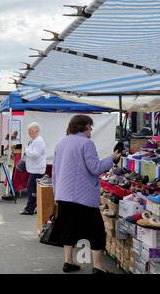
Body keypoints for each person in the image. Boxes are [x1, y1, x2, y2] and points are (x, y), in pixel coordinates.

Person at [51, 115, 121, 274]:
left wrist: (56, 194)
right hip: (82, 196)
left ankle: (68, 262)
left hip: (63, 194)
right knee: (96, 230)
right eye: (91, 127)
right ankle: (98, 267)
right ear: (86, 126)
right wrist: (112, 158)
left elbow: (55, 172)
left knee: (68, 229)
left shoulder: (61, 142)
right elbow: (95, 168)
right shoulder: (87, 143)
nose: (91, 130)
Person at [20, 123, 46, 215]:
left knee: (31, 189)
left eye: (30, 131)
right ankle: (33, 207)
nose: (29, 133)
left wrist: (26, 150)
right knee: (33, 189)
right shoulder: (34, 140)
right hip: (35, 169)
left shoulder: (38, 141)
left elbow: (35, 154)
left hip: (37, 169)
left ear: (36, 130)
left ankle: (30, 208)